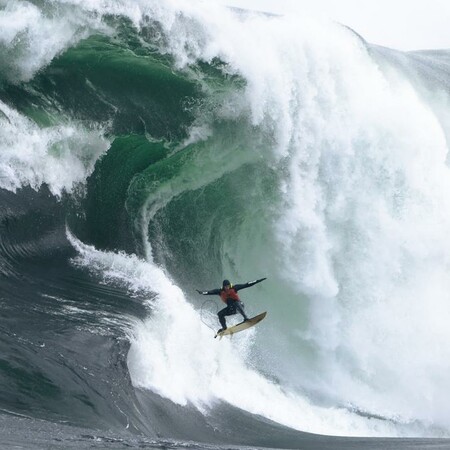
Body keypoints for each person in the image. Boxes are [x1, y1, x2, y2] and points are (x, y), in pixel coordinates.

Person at [196, 278, 266, 333]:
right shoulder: (220, 292)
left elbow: (247, 284)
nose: (227, 287)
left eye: (228, 286)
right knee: (220, 314)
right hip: (231, 310)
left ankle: (246, 318)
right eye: (225, 286)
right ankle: (224, 328)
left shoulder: (234, 288)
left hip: (240, 306)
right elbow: (209, 292)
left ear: (230, 285)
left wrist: (258, 281)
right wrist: (202, 292)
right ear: (223, 286)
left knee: (235, 303)